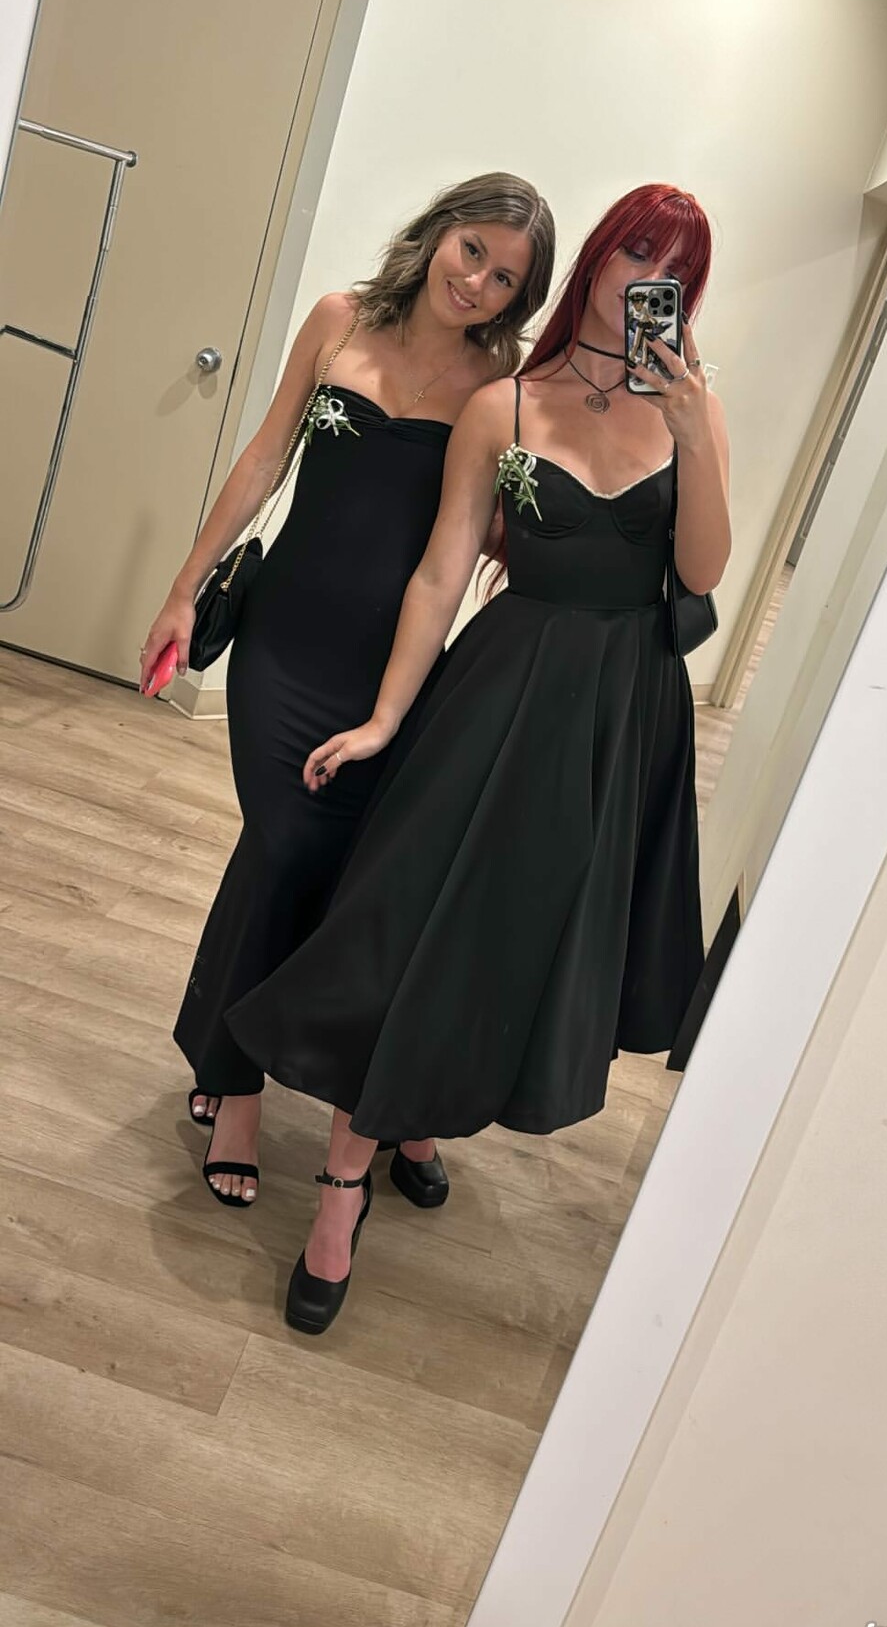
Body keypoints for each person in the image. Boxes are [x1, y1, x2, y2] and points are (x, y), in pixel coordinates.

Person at [225, 183, 732, 1334]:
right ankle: (342, 1187)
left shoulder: (696, 410)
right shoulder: (504, 404)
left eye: (677, 269)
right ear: (598, 259)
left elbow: (701, 574)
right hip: (500, 693)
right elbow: (442, 569)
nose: (650, 279)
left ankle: (418, 1114)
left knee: (517, 932)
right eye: (637, 252)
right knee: (414, 921)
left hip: (622, 715)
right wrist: (385, 718)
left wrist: (697, 435)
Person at [139, 173, 555, 1211]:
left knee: (315, 864)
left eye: (506, 278)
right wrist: (185, 588)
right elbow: (262, 460)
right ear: (440, 233)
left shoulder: (499, 387)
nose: (478, 283)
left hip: (390, 668)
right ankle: (237, 1092)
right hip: (284, 639)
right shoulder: (340, 320)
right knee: (284, 843)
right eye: (473, 251)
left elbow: (478, 539)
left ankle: (220, 1045)